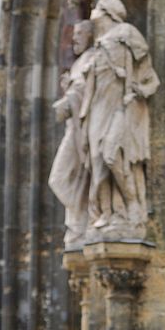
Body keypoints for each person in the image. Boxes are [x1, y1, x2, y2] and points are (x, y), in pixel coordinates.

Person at [82, 0, 159, 241]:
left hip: (121, 106)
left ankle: (132, 204)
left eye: (97, 7)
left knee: (111, 154)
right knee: (96, 160)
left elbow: (150, 76)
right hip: (99, 108)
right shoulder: (98, 45)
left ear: (108, 12)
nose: (92, 11)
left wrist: (140, 90)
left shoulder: (126, 33)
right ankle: (107, 213)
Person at [49, 19, 96, 248]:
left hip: (83, 128)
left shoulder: (92, 58)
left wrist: (69, 98)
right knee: (58, 179)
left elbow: (90, 92)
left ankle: (82, 218)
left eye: (79, 33)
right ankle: (80, 217)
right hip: (74, 127)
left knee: (59, 178)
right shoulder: (80, 62)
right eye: (74, 33)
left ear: (90, 35)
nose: (74, 38)